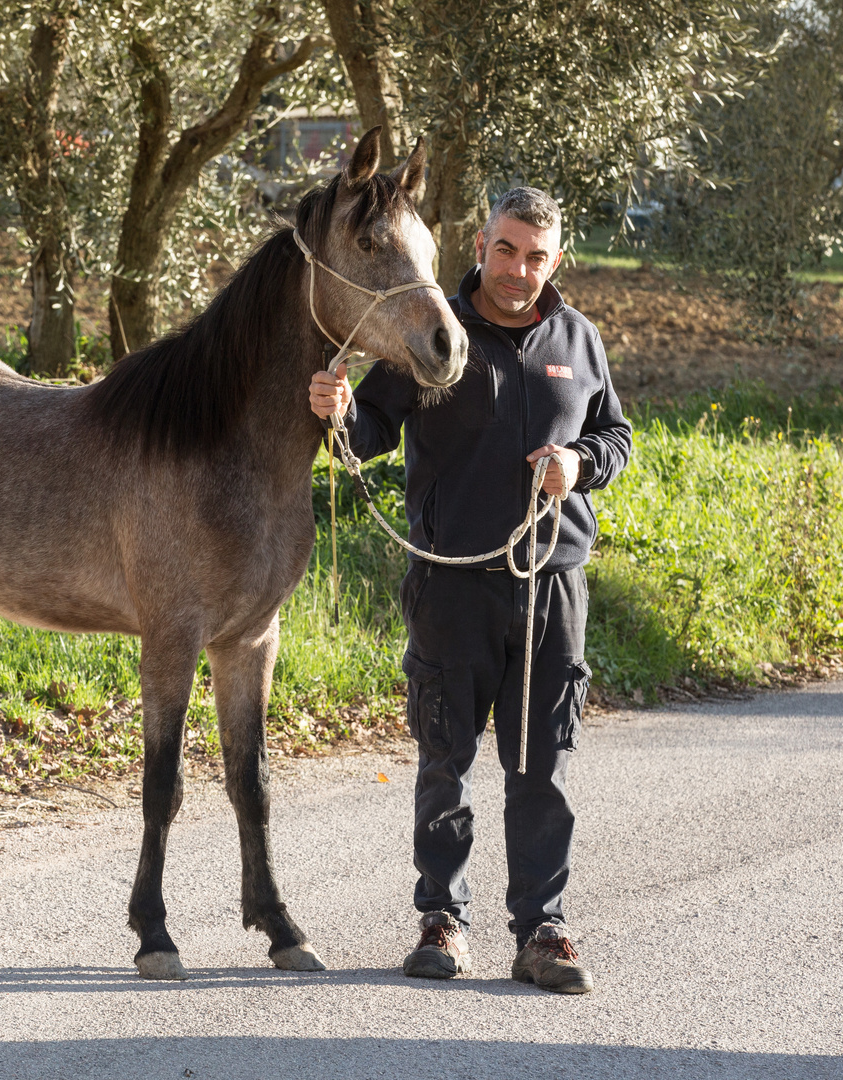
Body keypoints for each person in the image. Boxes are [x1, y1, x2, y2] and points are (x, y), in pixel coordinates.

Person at [308, 187, 631, 994]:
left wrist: (578, 466)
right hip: (450, 585)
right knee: (443, 761)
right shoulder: (434, 331)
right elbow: (370, 434)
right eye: (505, 249)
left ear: (556, 262)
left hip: (550, 585)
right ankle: (441, 921)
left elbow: (614, 435)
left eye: (535, 256)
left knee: (542, 767)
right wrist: (338, 410)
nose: (517, 270)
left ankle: (542, 932)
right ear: (481, 244)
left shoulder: (577, 338)